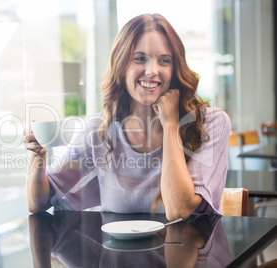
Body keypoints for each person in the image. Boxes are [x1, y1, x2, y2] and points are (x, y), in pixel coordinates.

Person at [24, 13, 231, 221]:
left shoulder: (210, 124)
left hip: (192, 252)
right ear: (121, 65)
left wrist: (170, 125)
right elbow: (38, 203)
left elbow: (178, 210)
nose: (152, 71)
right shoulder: (100, 129)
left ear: (175, 69)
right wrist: (38, 156)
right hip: (119, 253)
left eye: (164, 60)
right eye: (140, 58)